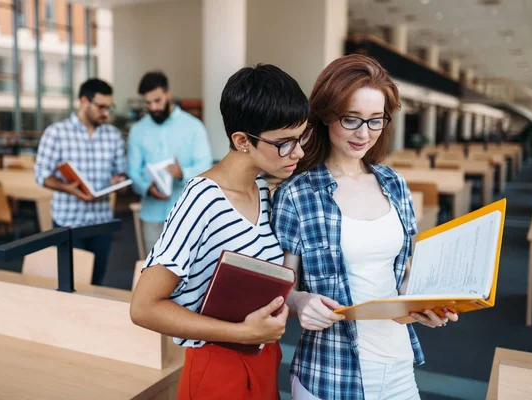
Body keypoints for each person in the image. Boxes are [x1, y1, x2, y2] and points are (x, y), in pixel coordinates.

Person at [271, 54, 459, 400]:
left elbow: (403, 274)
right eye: (351, 119)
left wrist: (424, 305)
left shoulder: (394, 183)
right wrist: (300, 300)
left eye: (376, 121)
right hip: (330, 374)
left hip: (398, 365)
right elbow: (281, 287)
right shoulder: (297, 194)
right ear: (326, 115)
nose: (364, 133)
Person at [130, 64, 311, 400]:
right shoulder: (202, 200)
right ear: (242, 140)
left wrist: (296, 301)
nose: (298, 151)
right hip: (217, 366)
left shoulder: (262, 189)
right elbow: (143, 307)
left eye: (301, 137)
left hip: (263, 358)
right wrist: (239, 333)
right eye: (285, 143)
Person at [35, 78, 127, 285]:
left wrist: (119, 180)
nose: (106, 113)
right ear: (84, 101)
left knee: (96, 282)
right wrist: (67, 188)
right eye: (101, 107)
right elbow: (41, 174)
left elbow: (121, 172)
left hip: (101, 221)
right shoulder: (56, 133)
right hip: (69, 221)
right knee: (70, 282)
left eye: (109, 107)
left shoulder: (113, 136)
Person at [127, 71, 212, 254]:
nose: (153, 107)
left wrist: (182, 173)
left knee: (191, 273)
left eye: (157, 100)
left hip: (188, 215)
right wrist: (147, 188)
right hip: (152, 216)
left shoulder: (194, 127)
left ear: (168, 94)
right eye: (148, 103)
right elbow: (133, 172)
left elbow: (206, 167)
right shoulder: (137, 131)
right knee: (154, 270)